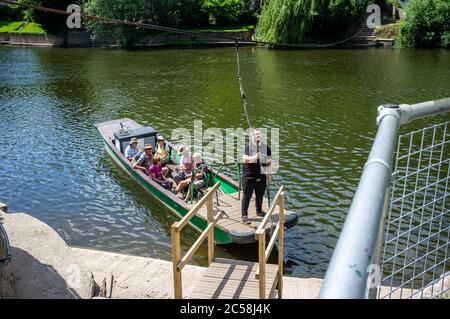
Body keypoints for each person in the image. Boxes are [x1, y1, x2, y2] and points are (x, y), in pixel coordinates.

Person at [240, 128, 272, 223]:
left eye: (259, 134)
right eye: (256, 134)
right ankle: (244, 215)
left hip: (261, 175)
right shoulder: (247, 147)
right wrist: (255, 157)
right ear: (251, 136)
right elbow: (245, 159)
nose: (258, 135)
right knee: (247, 196)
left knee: (260, 194)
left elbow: (269, 162)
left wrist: (269, 174)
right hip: (249, 176)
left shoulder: (266, 148)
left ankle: (259, 210)